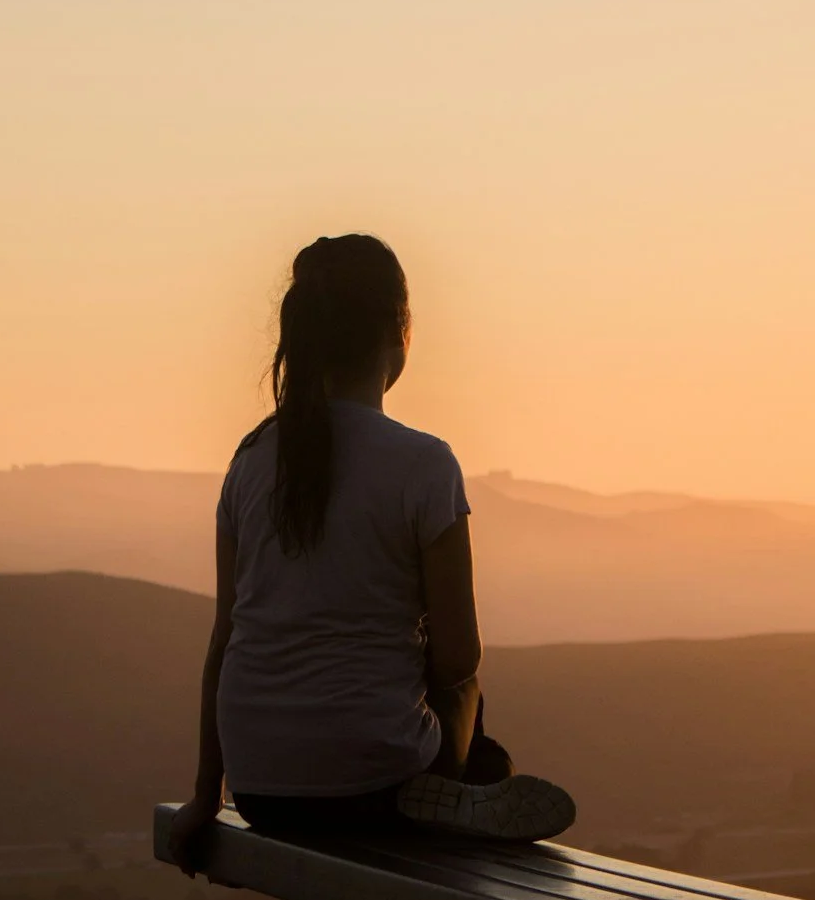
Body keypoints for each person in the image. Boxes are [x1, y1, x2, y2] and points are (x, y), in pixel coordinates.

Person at [163, 234, 574, 867]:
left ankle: (460, 786)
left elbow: (225, 642)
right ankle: (467, 786)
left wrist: (203, 797)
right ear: (399, 333)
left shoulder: (249, 460)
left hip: (261, 789)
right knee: (470, 694)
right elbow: (459, 655)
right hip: (376, 784)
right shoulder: (424, 464)